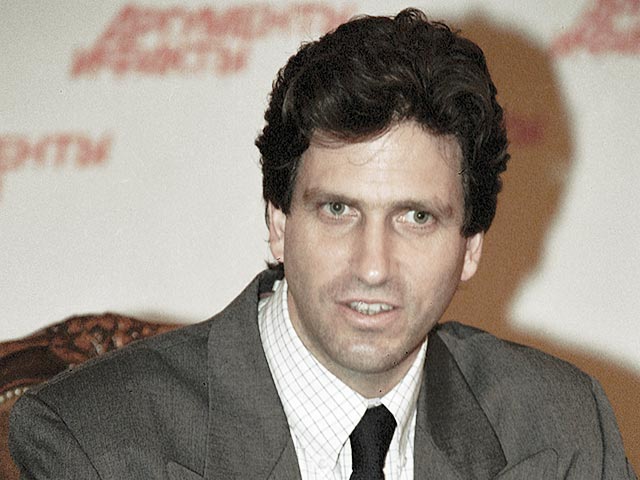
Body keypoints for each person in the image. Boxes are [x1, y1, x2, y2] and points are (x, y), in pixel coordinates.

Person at [9, 8, 636, 480]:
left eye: (416, 217)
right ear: (279, 221)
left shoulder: (561, 427)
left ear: (470, 245)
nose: (373, 267)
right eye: (338, 210)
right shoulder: (93, 441)